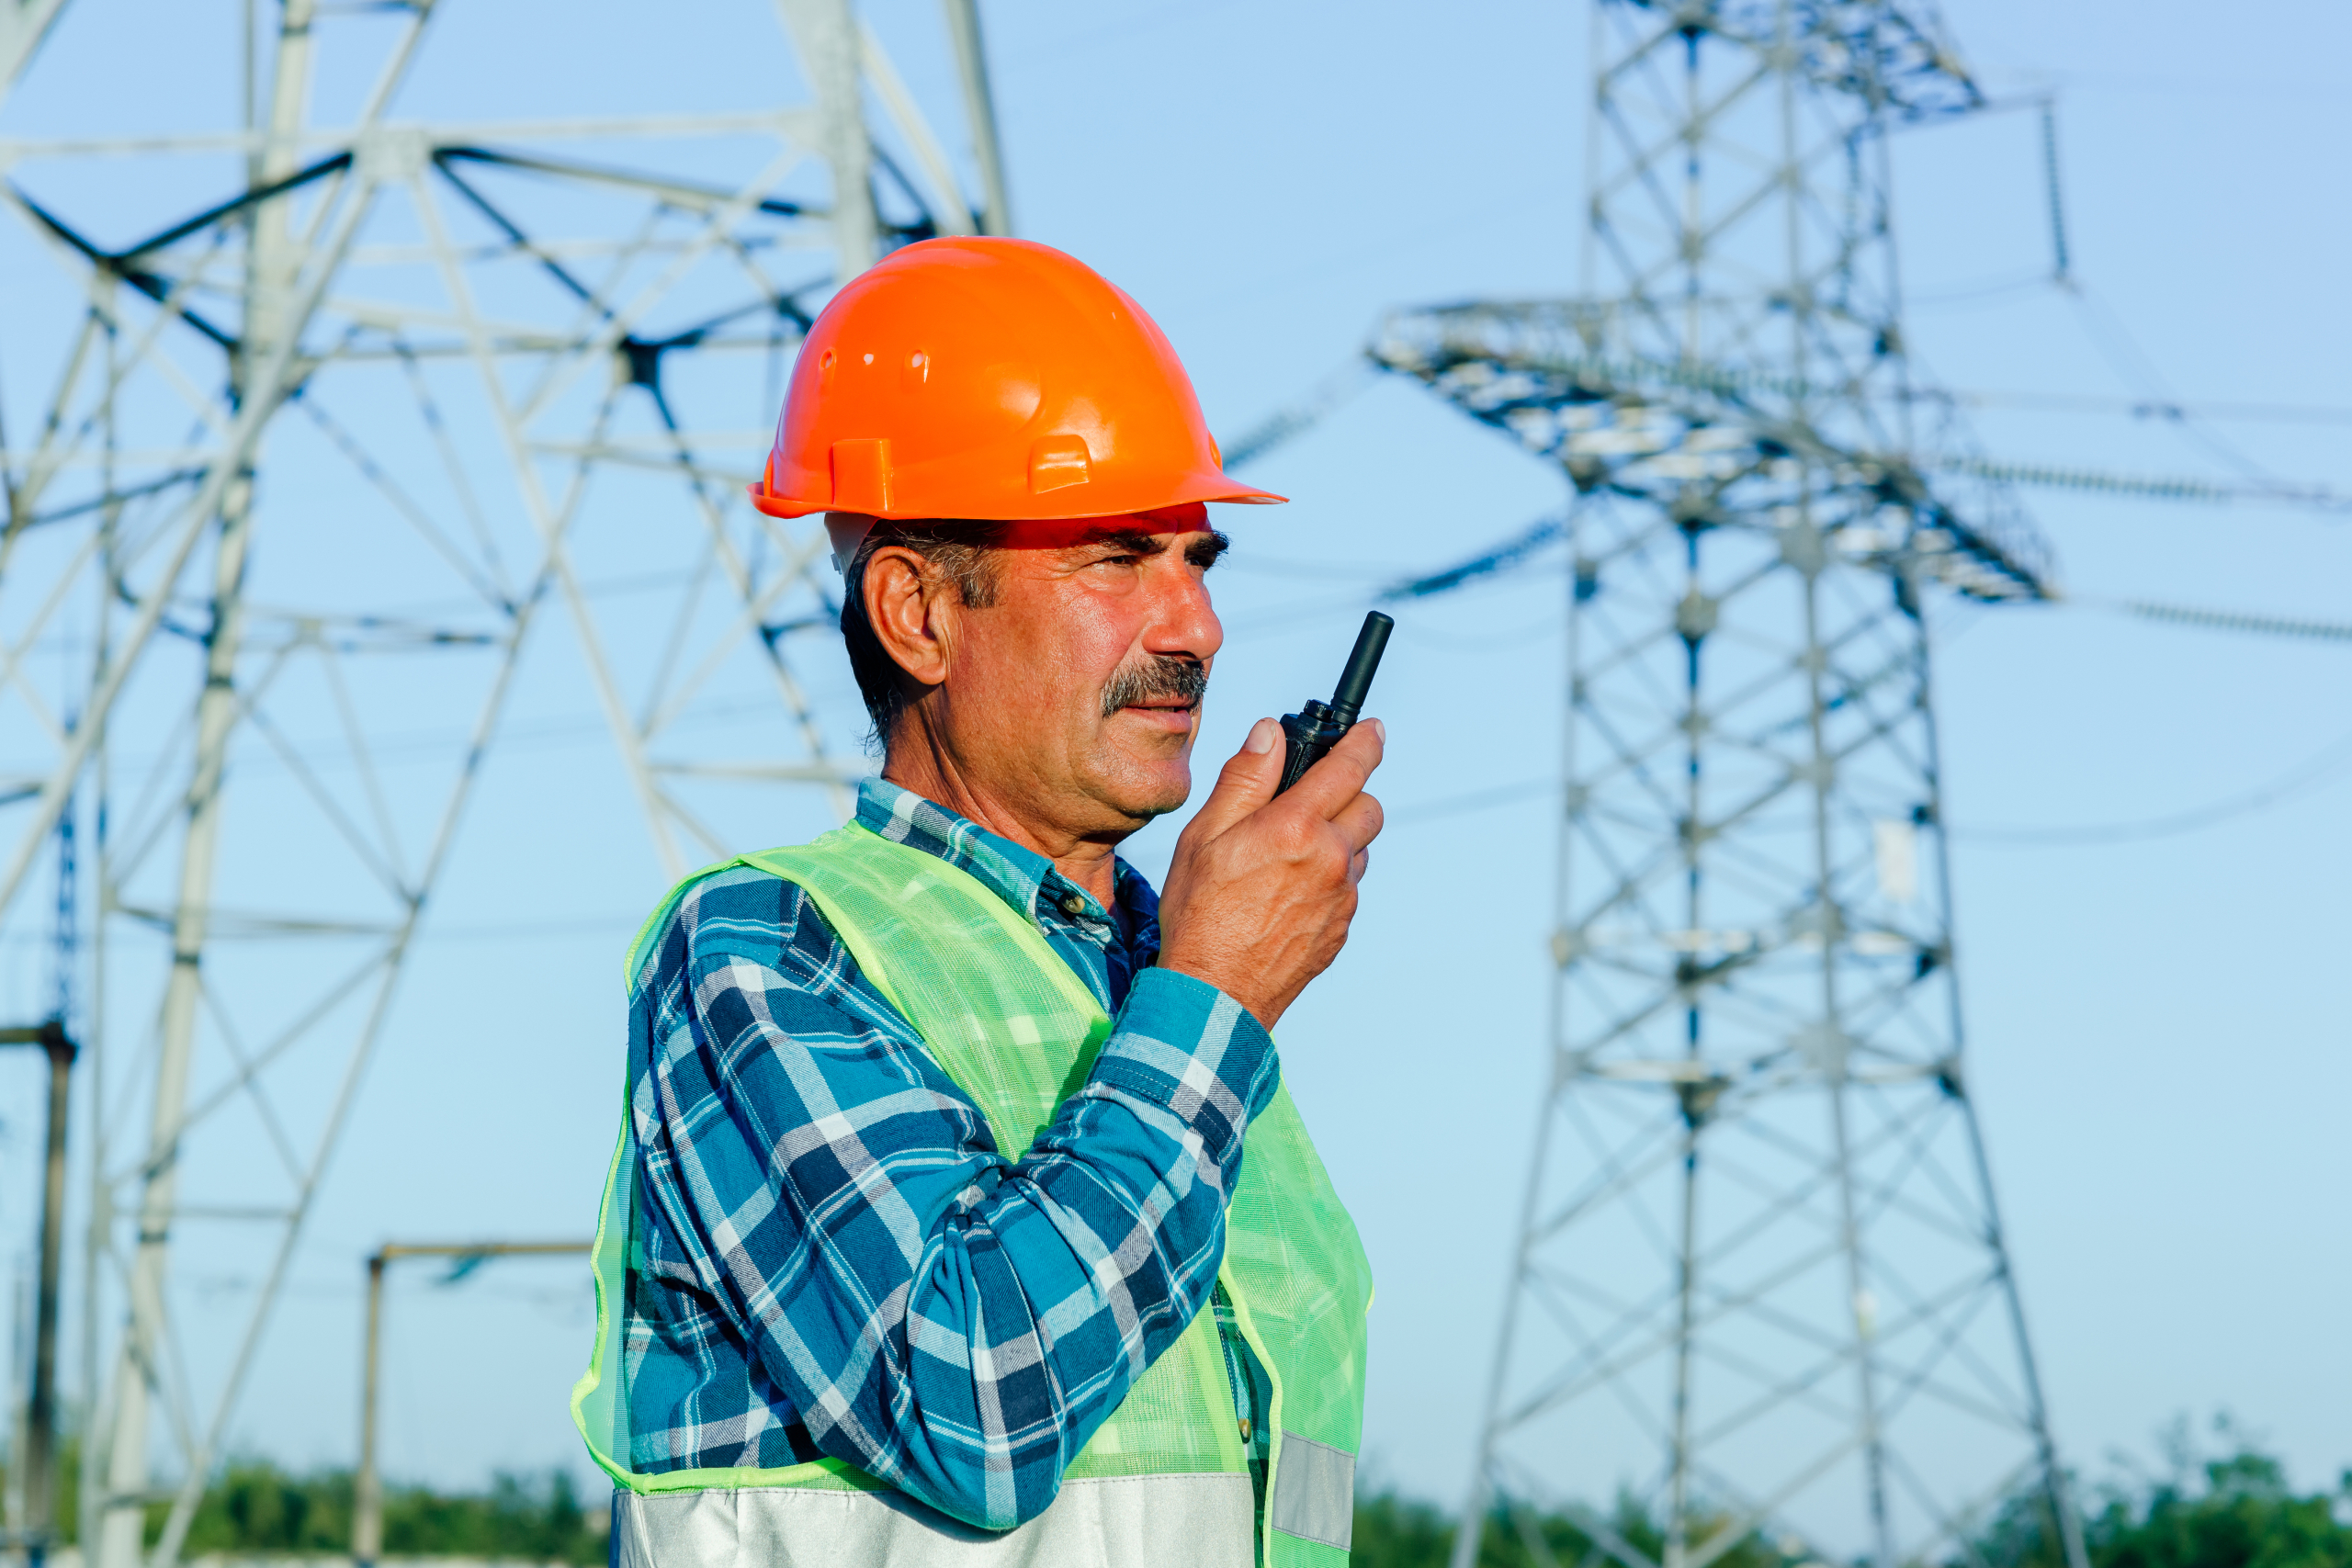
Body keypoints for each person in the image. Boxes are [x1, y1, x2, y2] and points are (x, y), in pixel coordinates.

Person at [571, 237, 1380, 1568]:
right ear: (919, 614)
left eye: (1198, 561)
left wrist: (1202, 988)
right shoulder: (769, 953)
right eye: (1117, 558)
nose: (1196, 627)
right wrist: (1220, 994)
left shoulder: (1165, 985)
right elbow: (974, 1405)